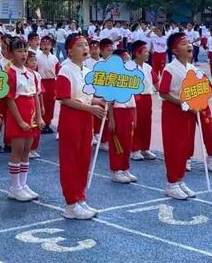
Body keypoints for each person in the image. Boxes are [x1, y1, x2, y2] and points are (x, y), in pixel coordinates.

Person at [56, 33, 106, 219]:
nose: (85, 48)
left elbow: (87, 95)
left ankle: (80, 197)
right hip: (72, 118)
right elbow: (65, 98)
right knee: (71, 160)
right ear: (69, 51)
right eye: (79, 45)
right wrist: (90, 108)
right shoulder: (65, 70)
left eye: (86, 44)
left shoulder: (85, 71)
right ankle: (70, 203)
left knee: (84, 158)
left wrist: (99, 101)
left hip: (86, 118)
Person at [159, 33, 197, 200]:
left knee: (185, 146)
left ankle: (180, 179)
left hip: (188, 113)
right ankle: (171, 183)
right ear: (174, 50)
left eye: (189, 42)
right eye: (183, 43)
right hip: (173, 112)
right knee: (174, 147)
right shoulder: (170, 69)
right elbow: (163, 92)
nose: (189, 45)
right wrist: (180, 103)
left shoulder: (192, 69)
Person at [6, 37, 44, 202]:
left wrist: (39, 117)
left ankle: (23, 184)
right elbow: (10, 99)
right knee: (18, 150)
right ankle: (14, 187)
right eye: (19, 51)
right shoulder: (10, 73)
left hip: (31, 114)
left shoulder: (32, 74)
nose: (23, 54)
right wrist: (20, 121)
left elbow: (35, 95)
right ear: (11, 54)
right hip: (18, 114)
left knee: (27, 150)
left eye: (25, 51)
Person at [108, 49, 138, 183]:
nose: (128, 61)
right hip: (118, 112)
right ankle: (116, 170)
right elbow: (109, 101)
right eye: (125, 59)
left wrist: (135, 116)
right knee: (117, 143)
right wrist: (112, 119)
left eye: (128, 58)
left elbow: (133, 100)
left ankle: (125, 168)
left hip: (129, 112)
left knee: (128, 142)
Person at [131, 41, 157, 162]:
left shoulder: (149, 67)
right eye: (145, 52)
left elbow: (157, 83)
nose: (148, 54)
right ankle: (134, 149)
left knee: (147, 123)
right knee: (136, 123)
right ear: (137, 53)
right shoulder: (129, 67)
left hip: (147, 98)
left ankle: (145, 148)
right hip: (135, 98)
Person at [37, 36, 60, 134]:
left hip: (52, 82)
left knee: (51, 103)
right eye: (44, 44)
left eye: (48, 44)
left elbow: (58, 71)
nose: (46, 46)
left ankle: (48, 123)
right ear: (40, 46)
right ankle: (41, 123)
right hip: (41, 81)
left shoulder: (54, 58)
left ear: (51, 46)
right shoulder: (37, 57)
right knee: (42, 103)